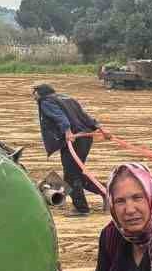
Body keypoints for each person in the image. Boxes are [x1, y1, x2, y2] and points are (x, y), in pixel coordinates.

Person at [33, 83, 107, 215]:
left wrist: (67, 132)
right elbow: (85, 116)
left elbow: (60, 118)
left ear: (39, 93)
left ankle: (81, 209)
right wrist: (101, 129)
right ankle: (105, 191)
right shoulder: (67, 98)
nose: (33, 97)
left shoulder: (46, 101)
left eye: (34, 93)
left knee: (71, 176)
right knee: (76, 172)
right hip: (85, 138)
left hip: (74, 140)